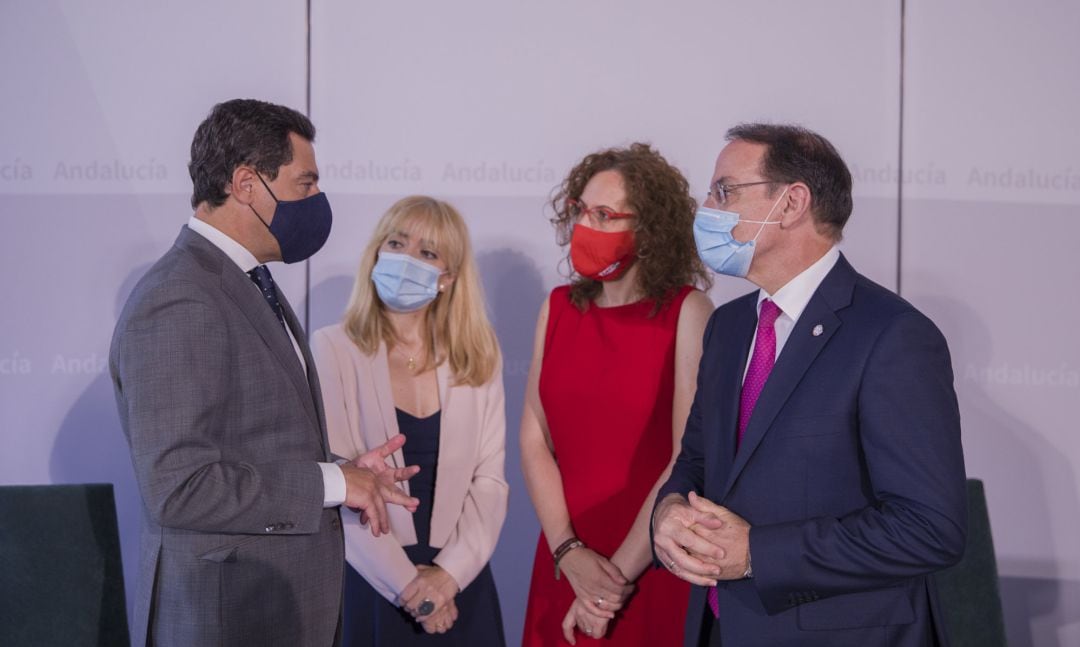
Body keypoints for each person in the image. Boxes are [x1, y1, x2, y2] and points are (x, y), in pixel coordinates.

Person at [109, 99, 419, 647]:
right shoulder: (180, 297)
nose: (317, 202)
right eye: (306, 183)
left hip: (273, 612)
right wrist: (332, 482)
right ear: (247, 183)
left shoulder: (245, 280)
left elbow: (254, 444)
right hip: (225, 619)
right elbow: (178, 486)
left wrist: (344, 471)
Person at [652, 123, 968, 647]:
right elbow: (696, 462)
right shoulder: (728, 328)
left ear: (791, 202)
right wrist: (667, 512)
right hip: (720, 628)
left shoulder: (892, 335)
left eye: (724, 190)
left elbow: (929, 529)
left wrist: (757, 553)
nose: (706, 206)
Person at [521, 143, 714, 646]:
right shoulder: (558, 308)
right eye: (581, 211)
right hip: (565, 559)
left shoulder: (688, 313)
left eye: (605, 215)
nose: (587, 226)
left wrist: (611, 584)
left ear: (648, 231)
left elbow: (685, 456)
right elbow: (534, 438)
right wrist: (568, 551)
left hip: (649, 562)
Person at [312, 196, 509, 646]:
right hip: (372, 579)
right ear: (376, 253)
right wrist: (409, 587)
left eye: (427, 252)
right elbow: (341, 483)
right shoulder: (332, 349)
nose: (405, 259)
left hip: (461, 582)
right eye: (397, 243)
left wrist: (446, 578)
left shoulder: (476, 357)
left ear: (448, 277)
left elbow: (490, 480)